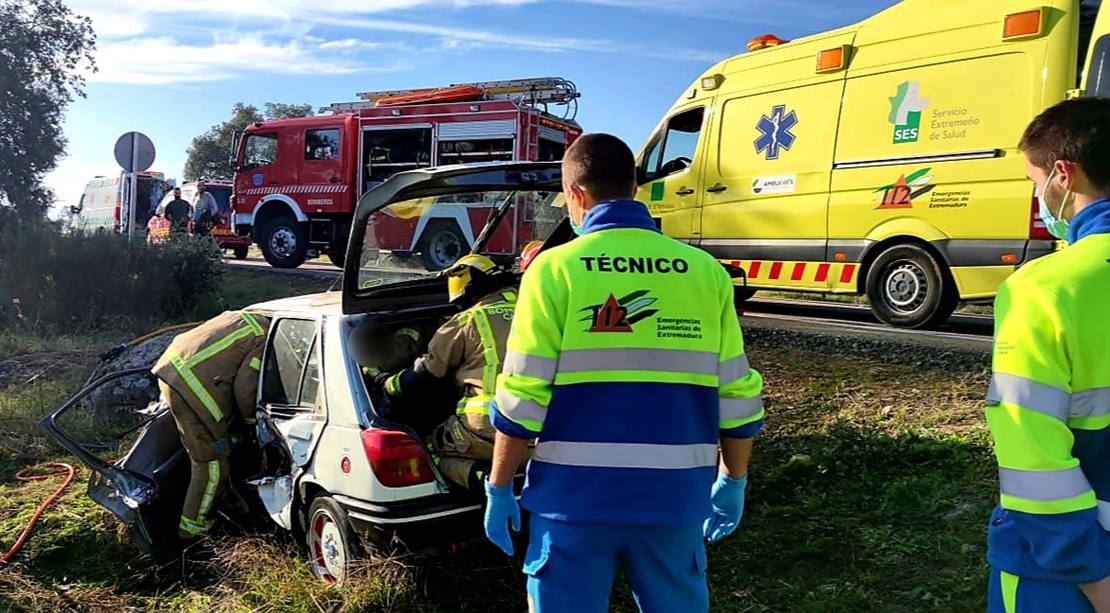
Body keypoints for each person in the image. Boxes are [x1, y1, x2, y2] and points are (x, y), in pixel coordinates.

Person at [483, 133, 765, 612]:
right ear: (635, 189)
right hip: (674, 504)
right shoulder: (705, 272)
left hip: (572, 504)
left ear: (575, 194)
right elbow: (737, 395)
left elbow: (523, 397)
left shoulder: (554, 270)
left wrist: (499, 485)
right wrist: (732, 480)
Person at [984, 97, 1110, 612]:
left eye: (1035, 183)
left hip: (1067, 574)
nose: (1038, 196)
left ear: (1063, 174)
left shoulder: (1045, 287)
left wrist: (1098, 586)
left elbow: (1033, 461)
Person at [373, 254, 526, 491]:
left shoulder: (469, 319)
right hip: (545, 427)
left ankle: (488, 481)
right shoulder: (535, 309)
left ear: (470, 293)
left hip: (488, 428)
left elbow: (428, 370)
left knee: (429, 448)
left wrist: (387, 384)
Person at [151, 310, 270, 541]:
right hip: (194, 390)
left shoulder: (244, 318)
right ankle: (194, 535)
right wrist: (254, 423)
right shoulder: (263, 338)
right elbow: (246, 390)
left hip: (173, 371)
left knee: (218, 448)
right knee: (212, 466)